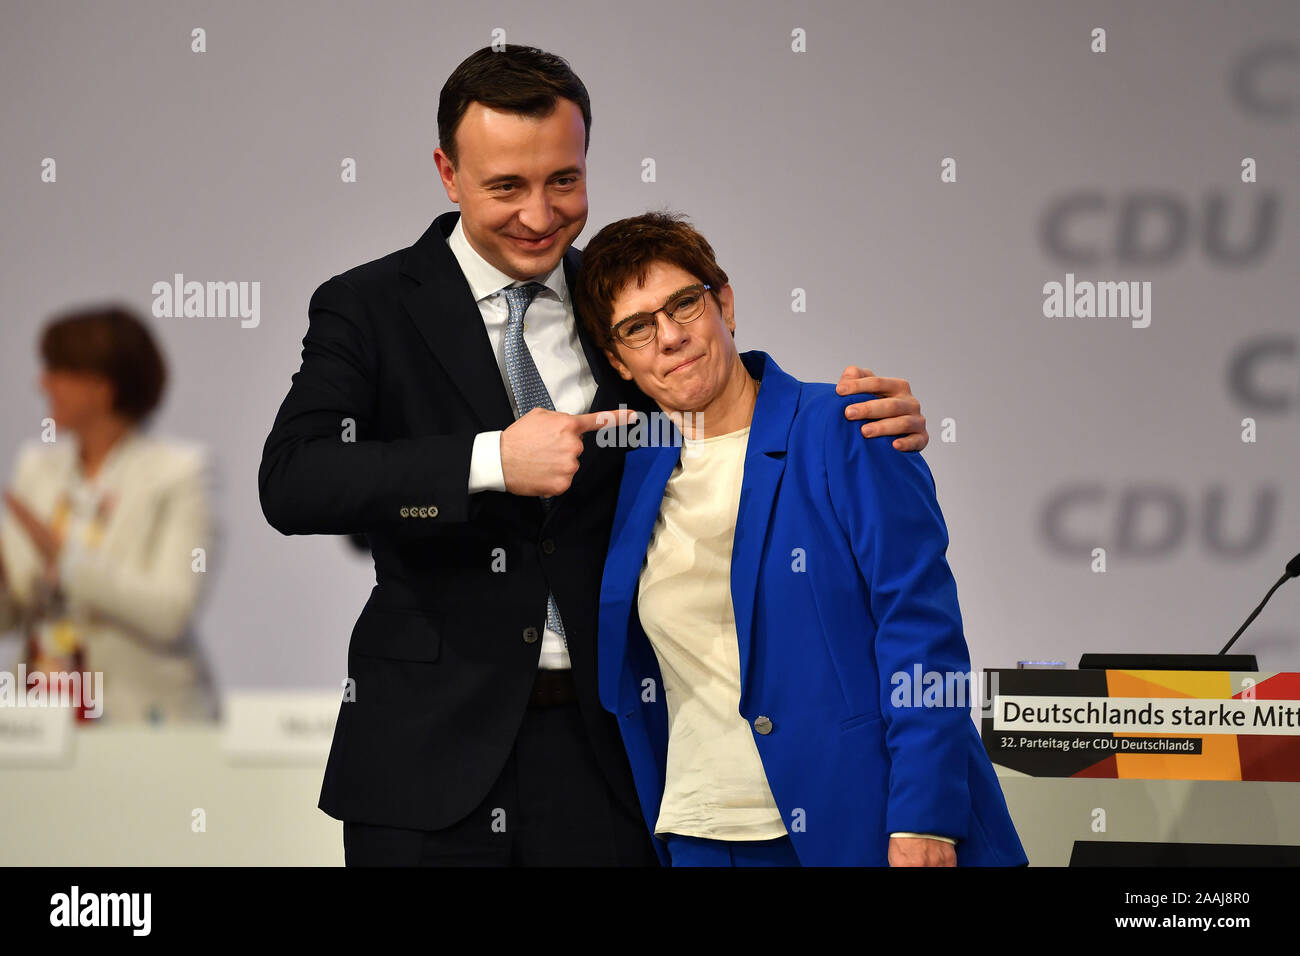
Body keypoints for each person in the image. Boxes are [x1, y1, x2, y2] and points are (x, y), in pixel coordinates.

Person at [258, 44, 932, 866]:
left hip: (613, 753)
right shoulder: (367, 305)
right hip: (426, 758)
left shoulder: (613, 301)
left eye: (564, 181)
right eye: (506, 186)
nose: (540, 215)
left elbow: (718, 402)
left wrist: (858, 418)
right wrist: (490, 460)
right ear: (447, 172)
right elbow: (295, 478)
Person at [579, 211, 1027, 866]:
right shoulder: (626, 470)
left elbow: (921, 634)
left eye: (684, 304)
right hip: (701, 836)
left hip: (867, 823)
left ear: (724, 303)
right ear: (618, 358)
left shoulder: (845, 427)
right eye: (638, 328)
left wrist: (925, 816)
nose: (670, 337)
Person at [0, 305, 218, 723]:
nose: (41, 382)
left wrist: (65, 559)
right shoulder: (36, 466)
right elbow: (12, 615)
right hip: (39, 717)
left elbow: (170, 612)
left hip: (143, 722)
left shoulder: (181, 472)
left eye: (57, 370)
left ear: (102, 386)